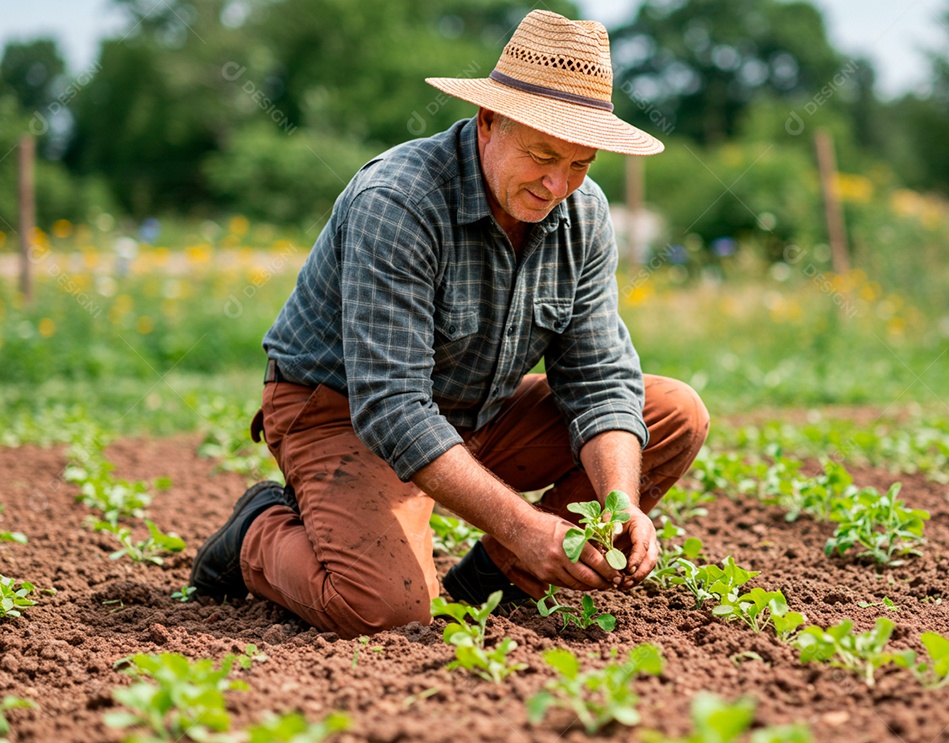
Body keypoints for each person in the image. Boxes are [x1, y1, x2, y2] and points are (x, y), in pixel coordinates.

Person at [190, 9, 709, 639]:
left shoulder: (584, 213)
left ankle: (493, 580)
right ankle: (257, 533)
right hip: (342, 411)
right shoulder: (401, 200)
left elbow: (599, 378)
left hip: (474, 408)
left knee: (672, 412)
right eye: (543, 155)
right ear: (489, 122)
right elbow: (391, 406)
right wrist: (520, 523)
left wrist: (620, 501)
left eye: (580, 164)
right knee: (384, 610)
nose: (557, 184)